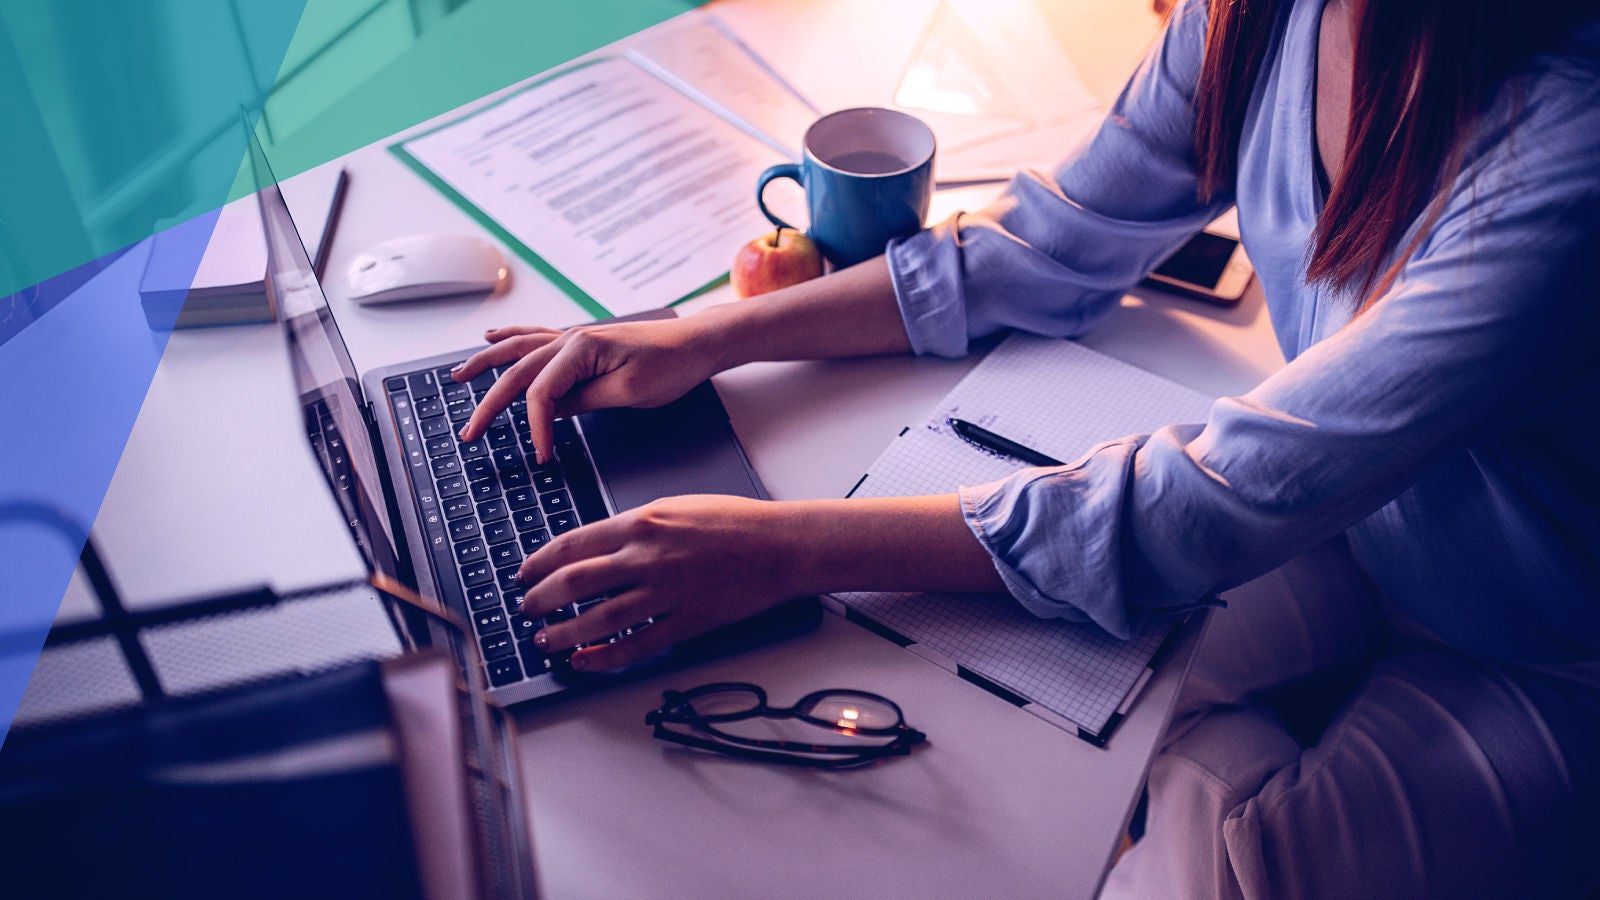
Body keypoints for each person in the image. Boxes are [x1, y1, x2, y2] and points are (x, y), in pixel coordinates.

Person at [452, 0, 1600, 895]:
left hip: (1541, 651)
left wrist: (783, 547)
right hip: (1354, 530)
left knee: (1191, 855)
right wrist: (702, 336)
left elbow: (1201, 506)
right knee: (964, 704)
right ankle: (1210, 744)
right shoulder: (1262, 15)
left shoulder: (1566, 149)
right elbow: (1048, 246)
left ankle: (1210, 758)